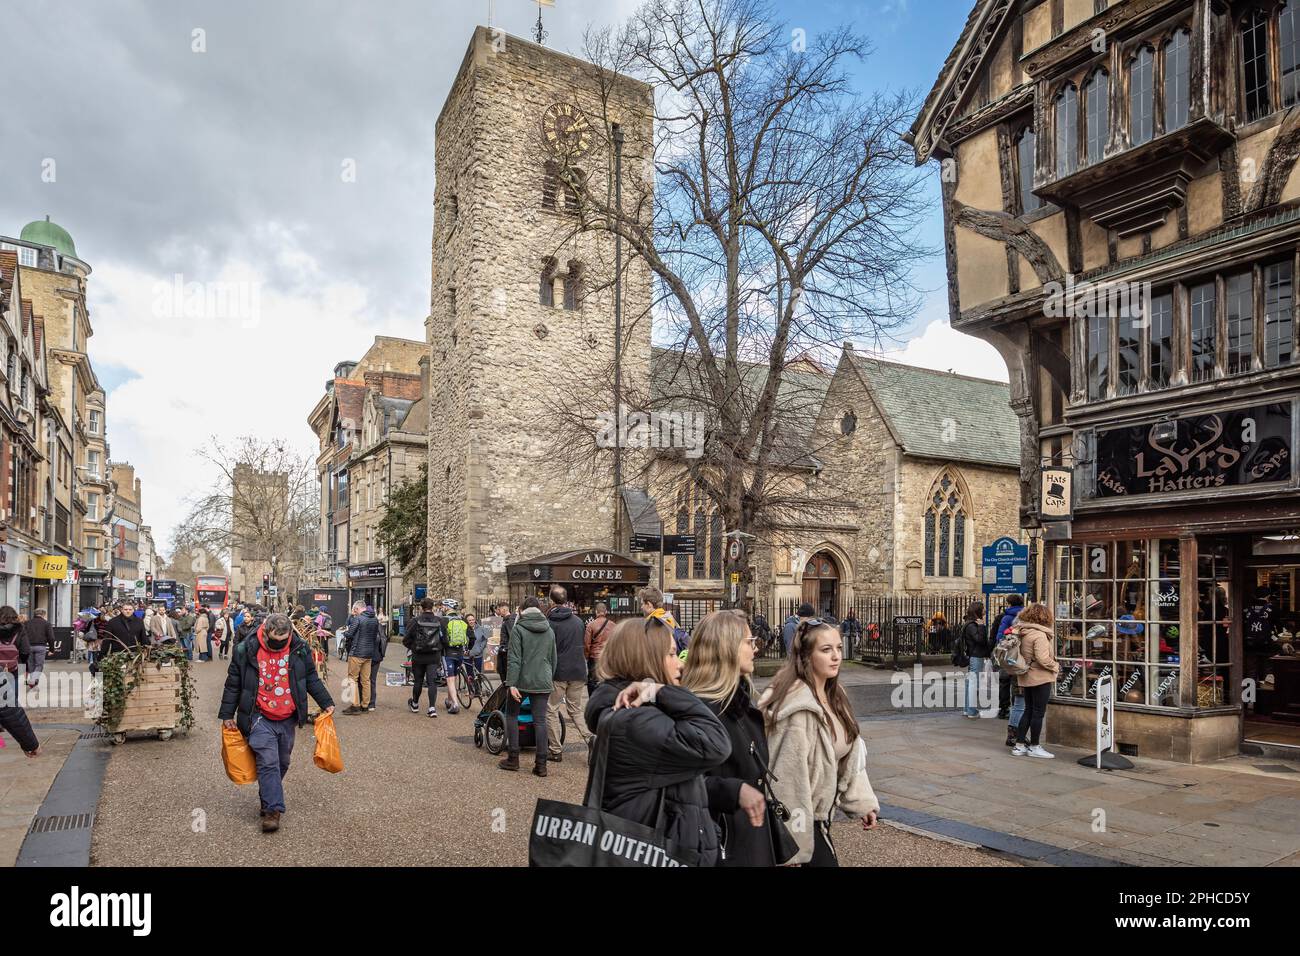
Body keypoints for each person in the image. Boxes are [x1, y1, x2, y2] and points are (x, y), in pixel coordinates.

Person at [584, 616, 731, 864]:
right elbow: (716, 743)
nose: (680, 664)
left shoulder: (636, 711)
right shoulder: (636, 720)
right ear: (646, 659)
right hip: (659, 852)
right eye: (672, 654)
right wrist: (659, 690)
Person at [760, 618, 879, 867]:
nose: (836, 656)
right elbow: (786, 780)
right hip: (802, 820)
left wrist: (862, 802)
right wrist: (791, 846)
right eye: (826, 650)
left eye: (838, 647)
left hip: (820, 820)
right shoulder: (796, 707)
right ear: (806, 656)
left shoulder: (836, 696)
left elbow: (850, 753)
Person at [218, 612, 334, 833]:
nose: (278, 645)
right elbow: (233, 683)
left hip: (287, 716)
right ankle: (273, 810)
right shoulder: (245, 649)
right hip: (258, 715)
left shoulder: (299, 649)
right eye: (274, 641)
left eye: (283, 641)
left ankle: (268, 793)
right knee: (268, 760)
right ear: (265, 631)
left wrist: (326, 702)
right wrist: (227, 715)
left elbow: (310, 677)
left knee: (283, 762)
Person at [683, 610, 781, 866]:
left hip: (751, 841)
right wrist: (733, 791)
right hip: (722, 845)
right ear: (726, 648)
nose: (755, 649)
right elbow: (682, 783)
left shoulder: (740, 706)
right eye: (749, 642)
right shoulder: (701, 712)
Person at [498, 596, 557, 776]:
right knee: (540, 720)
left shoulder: (519, 629)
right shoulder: (549, 630)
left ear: (522, 610)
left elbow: (514, 659)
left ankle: (513, 758)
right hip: (543, 679)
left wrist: (511, 684)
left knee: (512, 716)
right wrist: (548, 676)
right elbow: (554, 658)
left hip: (521, 680)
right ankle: (541, 764)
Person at [542, 586, 593, 762]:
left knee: (551, 709)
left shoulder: (549, 623)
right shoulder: (578, 621)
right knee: (575, 710)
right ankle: (589, 737)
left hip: (559, 671)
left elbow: (548, 649)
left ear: (551, 600)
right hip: (578, 669)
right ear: (565, 600)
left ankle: (555, 749)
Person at [1009, 603, 1060, 759]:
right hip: (1040, 677)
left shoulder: (1023, 631)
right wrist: (1056, 666)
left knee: (1028, 710)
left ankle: (1019, 746)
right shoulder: (1039, 635)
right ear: (1044, 617)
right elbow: (1043, 658)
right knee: (1038, 712)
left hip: (1026, 675)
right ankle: (1034, 746)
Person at [404, 598, 443, 717]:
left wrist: (414, 647)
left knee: (418, 681)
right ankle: (432, 708)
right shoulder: (439, 621)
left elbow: (406, 639)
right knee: (432, 682)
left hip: (419, 655)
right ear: (433, 607)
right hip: (433, 655)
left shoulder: (415, 621)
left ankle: (415, 704)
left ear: (421, 607)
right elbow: (444, 639)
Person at [343, 603, 381, 715]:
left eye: (355, 610)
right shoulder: (375, 619)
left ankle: (355, 705)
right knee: (366, 680)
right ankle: (365, 705)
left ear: (357, 609)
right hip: (369, 654)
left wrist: (345, 632)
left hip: (357, 652)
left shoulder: (358, 619)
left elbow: (350, 634)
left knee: (352, 679)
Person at [993, 594, 1025, 723]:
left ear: (1009, 603)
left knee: (1004, 681)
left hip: (1007, 653)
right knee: (1017, 681)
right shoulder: (1025, 616)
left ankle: (1004, 709)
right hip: (1021, 653)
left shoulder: (1006, 617)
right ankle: (1016, 708)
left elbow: (999, 637)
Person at [959, 601, 993, 719]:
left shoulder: (970, 624)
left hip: (973, 656)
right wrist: (982, 626)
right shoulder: (973, 625)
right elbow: (980, 640)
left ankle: (967, 709)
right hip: (976, 656)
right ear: (978, 610)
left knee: (970, 683)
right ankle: (972, 711)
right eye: (983, 608)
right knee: (973, 684)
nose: (985, 610)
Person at [441, 600, 469, 714]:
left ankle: (455, 704)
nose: (442, 608)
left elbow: (442, 637)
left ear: (448, 607)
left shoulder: (444, 620)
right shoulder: (462, 619)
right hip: (460, 653)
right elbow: (469, 635)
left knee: (450, 678)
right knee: (453, 678)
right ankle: (449, 700)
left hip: (448, 652)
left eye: (443, 606)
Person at [583, 602, 612, 694]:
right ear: (606, 612)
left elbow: (587, 644)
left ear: (596, 612)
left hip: (594, 658)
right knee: (607, 681)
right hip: (607, 657)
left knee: (592, 682)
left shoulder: (590, 625)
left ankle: (593, 700)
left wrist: (587, 657)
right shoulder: (614, 625)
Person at [24, 608, 52, 688]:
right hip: (41, 646)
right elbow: (51, 637)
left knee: (31, 665)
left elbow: (23, 635)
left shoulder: (27, 623)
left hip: (29, 646)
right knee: (39, 665)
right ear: (43, 614)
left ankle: (33, 682)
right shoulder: (46, 623)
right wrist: (51, 649)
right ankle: (33, 680)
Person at [367, 605, 386, 712]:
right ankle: (372, 703)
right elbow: (383, 639)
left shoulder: (364, 623)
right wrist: (382, 654)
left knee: (364, 679)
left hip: (367, 656)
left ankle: (365, 701)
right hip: (377, 656)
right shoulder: (378, 625)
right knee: (372, 680)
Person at [495, 602, 515, 679]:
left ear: (504, 609)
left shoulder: (509, 620)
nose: (498, 611)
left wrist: (505, 649)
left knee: (505, 675)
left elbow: (512, 636)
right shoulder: (506, 620)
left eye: (499, 609)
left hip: (506, 653)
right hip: (504, 652)